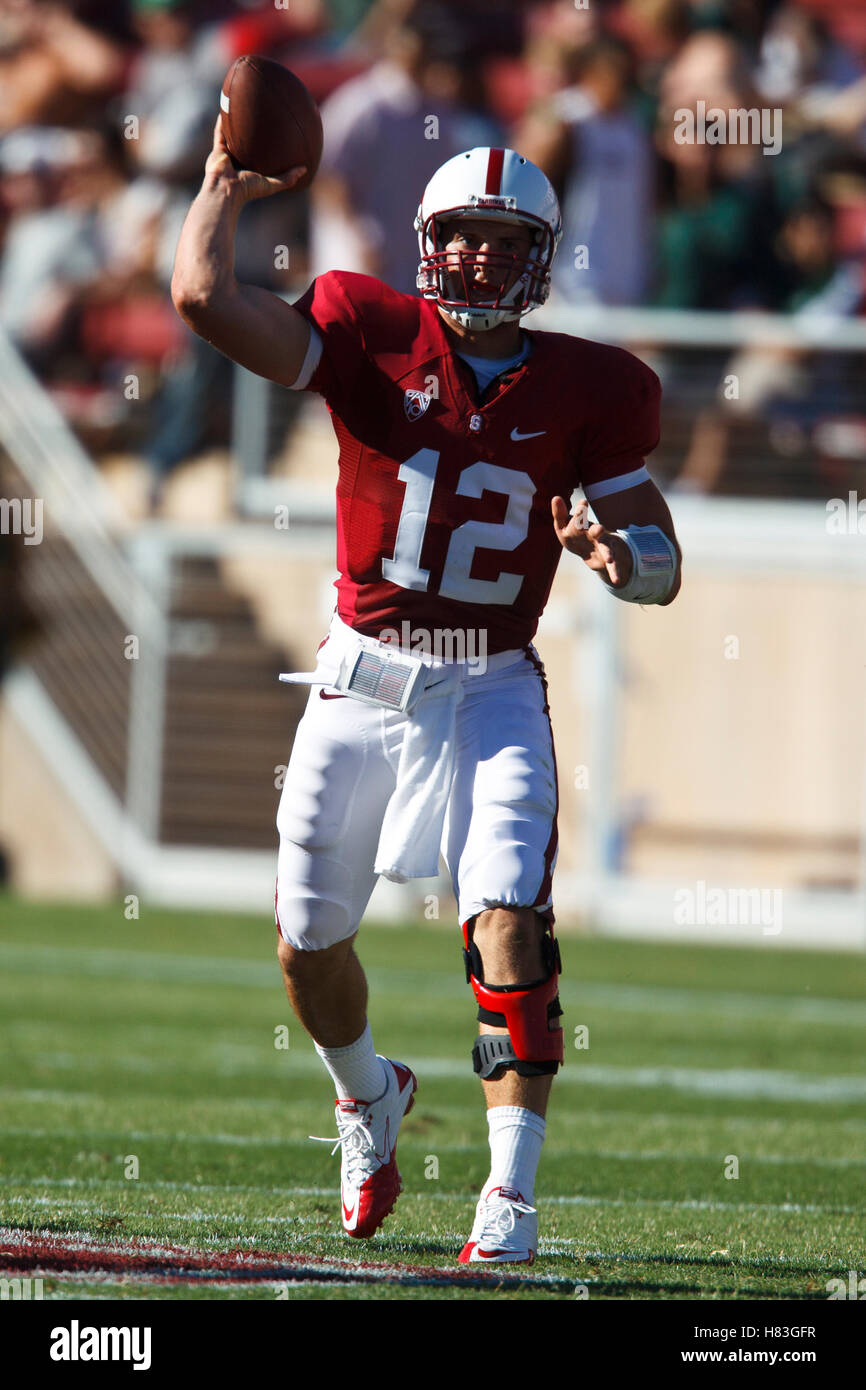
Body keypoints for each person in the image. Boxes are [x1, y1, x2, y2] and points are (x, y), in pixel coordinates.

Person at [172, 120, 682, 1264]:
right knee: (307, 947)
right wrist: (220, 186)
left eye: (503, 243)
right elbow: (205, 299)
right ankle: (367, 1097)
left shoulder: (598, 387)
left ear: (541, 256)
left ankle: (509, 1200)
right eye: (458, 239)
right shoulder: (365, 328)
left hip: (491, 685)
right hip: (359, 682)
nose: (477, 263)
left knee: (507, 926)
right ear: (424, 243)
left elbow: (660, 562)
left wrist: (623, 561)